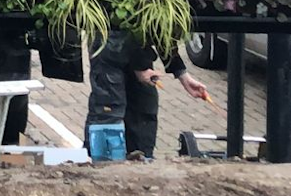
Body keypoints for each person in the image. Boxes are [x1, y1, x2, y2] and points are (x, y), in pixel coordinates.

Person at [86, 30, 210, 159]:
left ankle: (141, 161)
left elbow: (159, 30)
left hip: (137, 48)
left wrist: (181, 74)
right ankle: (99, 165)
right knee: (108, 113)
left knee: (144, 110)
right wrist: (141, 67)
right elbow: (128, 24)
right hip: (109, 47)